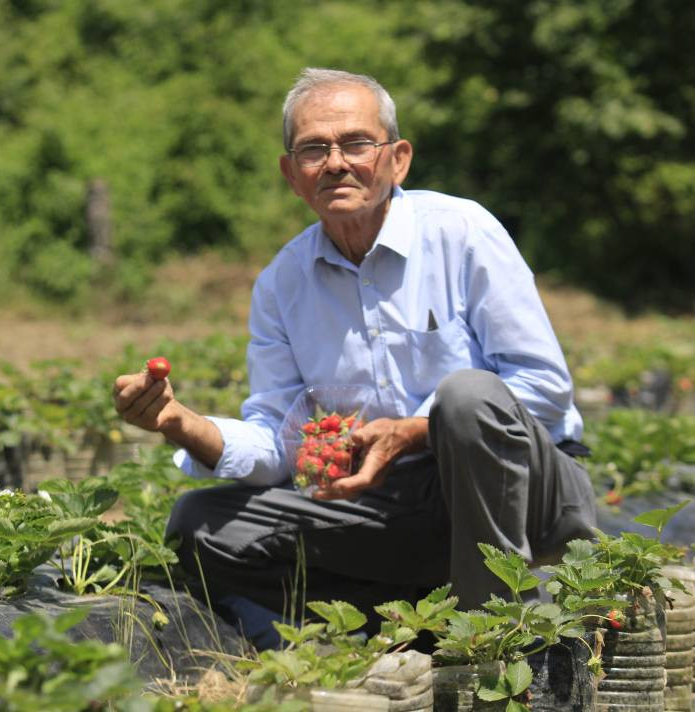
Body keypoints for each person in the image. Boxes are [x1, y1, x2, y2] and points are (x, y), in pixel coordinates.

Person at [111, 68, 596, 646]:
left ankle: (499, 637)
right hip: (389, 507)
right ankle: (389, 628)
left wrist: (415, 430)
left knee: (466, 399)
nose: (336, 162)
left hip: (524, 497)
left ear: (398, 159)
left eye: (357, 144)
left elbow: (542, 386)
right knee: (200, 524)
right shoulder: (282, 284)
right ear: (292, 175)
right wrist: (181, 424)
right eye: (314, 149)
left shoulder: (462, 233)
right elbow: (279, 444)